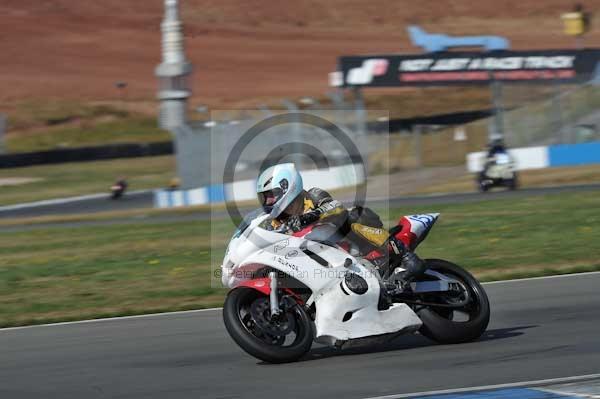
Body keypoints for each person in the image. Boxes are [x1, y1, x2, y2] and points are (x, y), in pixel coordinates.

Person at [256, 163, 425, 285]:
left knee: (351, 215)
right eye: (264, 197)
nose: (268, 201)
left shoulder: (313, 195)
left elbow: (335, 207)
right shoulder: (275, 221)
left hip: (353, 242)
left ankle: (405, 255)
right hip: (325, 262)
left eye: (271, 195)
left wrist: (308, 217)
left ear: (286, 186)